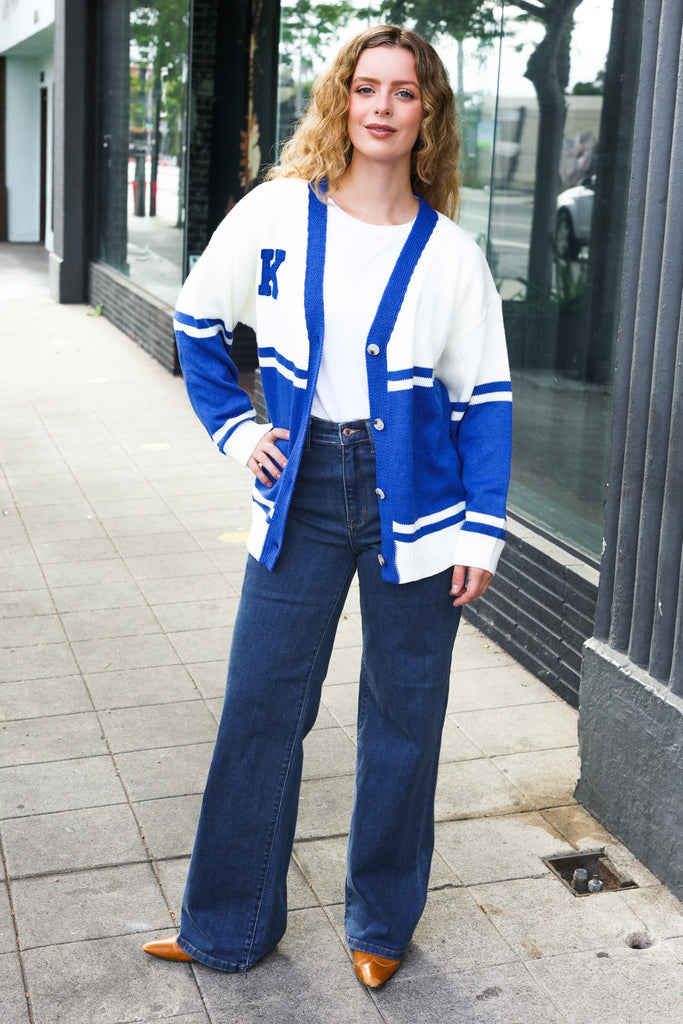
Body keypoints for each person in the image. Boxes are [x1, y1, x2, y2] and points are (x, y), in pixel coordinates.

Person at [143, 24, 511, 988]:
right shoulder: (274, 213)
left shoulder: (452, 256)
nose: (382, 107)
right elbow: (196, 317)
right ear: (342, 101)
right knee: (260, 705)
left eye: (404, 92)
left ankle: (381, 925)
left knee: (403, 717)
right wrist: (235, 430)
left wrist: (484, 529)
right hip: (299, 487)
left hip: (419, 510)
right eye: (367, 87)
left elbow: (485, 404)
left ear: (426, 113)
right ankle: (226, 923)